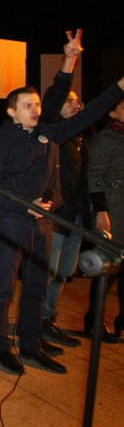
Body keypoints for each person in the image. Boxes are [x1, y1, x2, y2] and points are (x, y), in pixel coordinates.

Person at [0, 42, 124, 376]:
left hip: (45, 223)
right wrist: (23, 205)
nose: (35, 110)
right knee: (4, 288)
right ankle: (1, 345)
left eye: (37, 105)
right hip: (11, 220)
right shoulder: (1, 141)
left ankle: (32, 343)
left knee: (37, 285)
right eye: (27, 105)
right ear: (12, 111)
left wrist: (117, 87)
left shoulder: (49, 132)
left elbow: (90, 113)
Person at [39, 33, 91, 348]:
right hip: (56, 216)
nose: (76, 105)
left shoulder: (80, 138)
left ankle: (49, 317)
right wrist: (69, 62)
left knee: (64, 273)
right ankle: (38, 321)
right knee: (50, 271)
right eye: (70, 101)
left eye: (77, 101)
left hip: (77, 218)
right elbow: (53, 99)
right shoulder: (52, 132)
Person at [85, 97, 124, 341]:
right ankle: (94, 321)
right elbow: (95, 175)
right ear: (112, 113)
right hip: (113, 210)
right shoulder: (106, 138)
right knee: (107, 270)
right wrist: (101, 210)